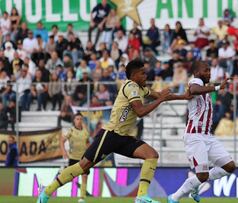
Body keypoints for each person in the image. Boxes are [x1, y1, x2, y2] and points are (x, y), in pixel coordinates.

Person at [37, 60, 192, 203]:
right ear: (133, 75)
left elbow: (160, 95)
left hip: (123, 138)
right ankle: (47, 191)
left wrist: (184, 96)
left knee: (151, 155)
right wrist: (160, 99)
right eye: (142, 73)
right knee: (82, 166)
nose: (146, 75)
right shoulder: (130, 87)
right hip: (110, 135)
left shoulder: (140, 88)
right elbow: (140, 111)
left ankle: (141, 196)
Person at [168, 61, 236, 203]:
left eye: (210, 70)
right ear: (197, 72)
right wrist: (217, 87)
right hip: (195, 136)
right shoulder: (195, 82)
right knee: (203, 176)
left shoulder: (204, 88)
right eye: (206, 70)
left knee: (229, 166)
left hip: (207, 136)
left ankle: (195, 184)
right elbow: (193, 90)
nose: (209, 73)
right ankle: (174, 197)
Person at [60, 113, 90, 203]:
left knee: (84, 176)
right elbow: (62, 141)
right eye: (77, 119)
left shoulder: (85, 131)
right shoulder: (71, 131)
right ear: (74, 120)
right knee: (68, 177)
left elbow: (88, 143)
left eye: (80, 119)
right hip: (73, 158)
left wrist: (90, 154)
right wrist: (64, 151)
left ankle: (82, 197)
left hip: (83, 158)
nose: (79, 121)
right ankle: (54, 187)